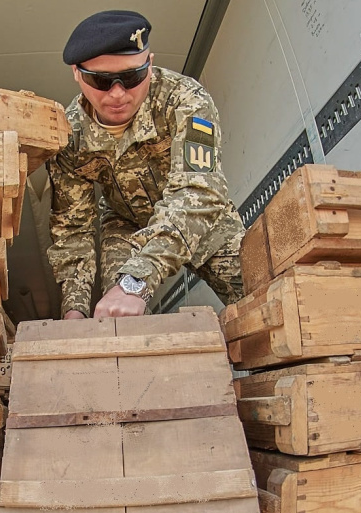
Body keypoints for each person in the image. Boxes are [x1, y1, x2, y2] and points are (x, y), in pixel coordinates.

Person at [47, 9, 246, 319]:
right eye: (101, 80)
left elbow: (200, 191)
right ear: (77, 73)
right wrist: (74, 309)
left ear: (149, 64)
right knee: (119, 321)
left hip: (201, 219)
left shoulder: (185, 99)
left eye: (131, 77)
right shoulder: (69, 137)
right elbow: (73, 228)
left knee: (262, 296)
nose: (117, 94)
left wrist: (137, 279)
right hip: (125, 226)